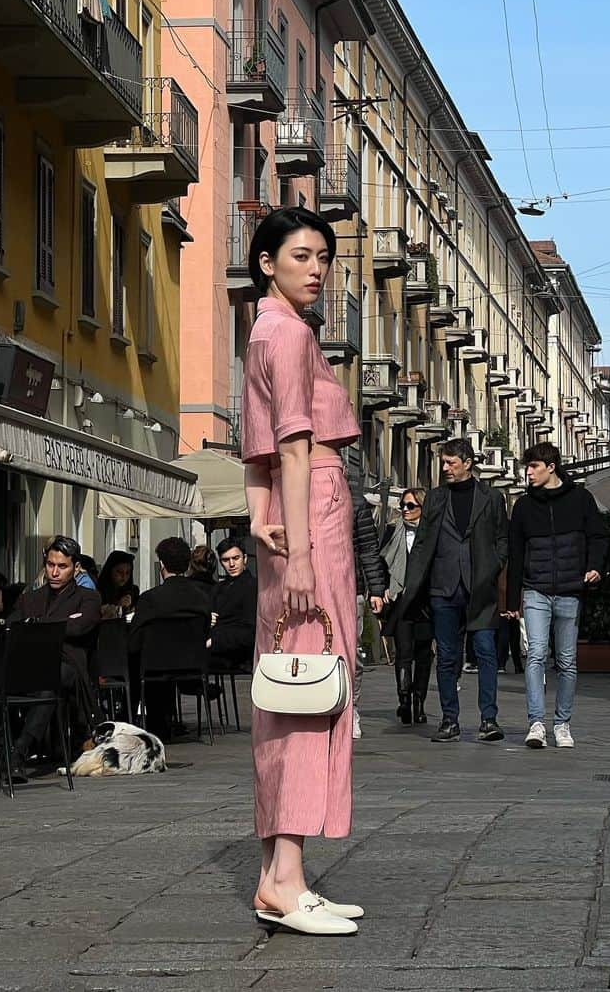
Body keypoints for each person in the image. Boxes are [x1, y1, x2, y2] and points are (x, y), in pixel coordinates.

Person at [241, 206, 382, 937]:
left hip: (287, 518)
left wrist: (259, 520)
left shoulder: (262, 331)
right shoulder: (290, 333)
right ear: (267, 262)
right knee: (310, 682)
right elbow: (293, 448)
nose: (318, 268)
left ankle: (276, 874)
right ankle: (288, 882)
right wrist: (298, 551)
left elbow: (256, 453)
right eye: (301, 255)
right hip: (313, 513)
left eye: (323, 256)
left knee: (286, 682)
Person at [397, 438, 509, 745]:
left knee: (486, 652)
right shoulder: (434, 498)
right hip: (442, 588)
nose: (444, 468)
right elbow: (422, 542)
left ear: (468, 463)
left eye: (450, 463)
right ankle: (449, 720)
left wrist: (493, 566)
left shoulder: (492, 497)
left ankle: (488, 720)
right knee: (446, 656)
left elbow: (502, 538)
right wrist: (416, 579)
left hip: (480, 587)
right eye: (443, 463)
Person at [503, 442, 606, 749]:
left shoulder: (581, 499)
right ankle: (536, 723)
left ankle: (562, 724)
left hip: (570, 591)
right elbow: (516, 553)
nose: (528, 473)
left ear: (551, 466)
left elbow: (599, 536)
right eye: (527, 468)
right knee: (535, 654)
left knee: (566, 661)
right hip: (535, 590)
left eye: (533, 467)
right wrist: (512, 602)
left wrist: (595, 567)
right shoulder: (523, 507)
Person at [9, 536, 102, 781]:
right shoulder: (31, 598)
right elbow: (14, 626)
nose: (55, 572)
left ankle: (18, 752)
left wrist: (38, 625)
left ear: (75, 567)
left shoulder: (88, 597)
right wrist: (61, 624)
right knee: (40, 685)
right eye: (51, 565)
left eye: (62, 566)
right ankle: (10, 748)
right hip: (32, 664)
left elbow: (80, 627)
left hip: (69, 666)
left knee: (52, 679)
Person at [128, 536, 213, 739]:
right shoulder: (201, 597)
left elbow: (134, 641)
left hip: (155, 666)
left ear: (162, 565)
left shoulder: (150, 599)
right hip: (192, 664)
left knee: (133, 660)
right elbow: (204, 629)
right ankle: (166, 721)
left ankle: (130, 720)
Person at [380, 487, 433, 726]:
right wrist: (381, 589)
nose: (405, 510)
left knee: (423, 654)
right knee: (403, 651)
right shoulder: (392, 530)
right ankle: (403, 700)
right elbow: (381, 561)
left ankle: (419, 702)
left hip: (426, 602)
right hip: (400, 599)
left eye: (411, 506)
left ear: (422, 507)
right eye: (403, 505)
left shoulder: (432, 533)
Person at [350, 479, 389, 739]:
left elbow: (368, 549)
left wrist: (376, 589)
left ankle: (350, 709)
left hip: (350, 588)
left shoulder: (355, 502)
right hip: (312, 588)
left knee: (352, 653)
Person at [208, 538, 258, 670]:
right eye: (226, 560)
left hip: (237, 654)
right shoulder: (217, 589)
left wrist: (214, 640)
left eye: (236, 558)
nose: (231, 564)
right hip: (220, 648)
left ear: (245, 558)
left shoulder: (252, 586)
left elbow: (249, 631)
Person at [98, 550, 140, 619]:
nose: (124, 576)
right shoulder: (99, 592)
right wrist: (118, 606)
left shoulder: (133, 591)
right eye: (119, 572)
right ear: (110, 570)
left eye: (127, 573)